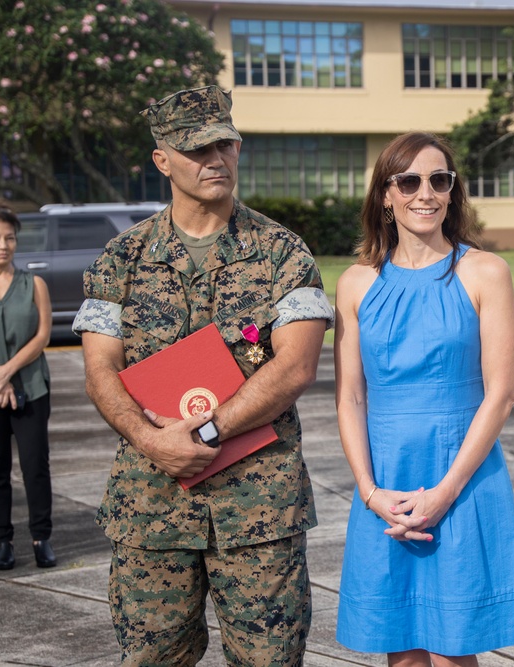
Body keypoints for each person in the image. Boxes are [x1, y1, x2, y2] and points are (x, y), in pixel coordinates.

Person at [72, 85, 333, 665]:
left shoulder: (282, 254)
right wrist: (150, 440)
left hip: (258, 509)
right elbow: (99, 370)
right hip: (152, 502)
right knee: (152, 659)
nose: (215, 159)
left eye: (226, 144)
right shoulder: (121, 259)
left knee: (269, 659)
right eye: (196, 149)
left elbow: (296, 366)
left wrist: (207, 433)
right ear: (162, 160)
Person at [334, 131, 514, 666]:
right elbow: (351, 398)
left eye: (438, 180)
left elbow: (500, 396)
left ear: (452, 192)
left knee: (453, 650)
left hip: (462, 477)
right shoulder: (355, 284)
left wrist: (445, 493)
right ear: (385, 194)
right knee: (400, 649)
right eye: (408, 181)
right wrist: (369, 490)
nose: (424, 193)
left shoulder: (485, 272)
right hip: (386, 480)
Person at [0, 206, 55, 571]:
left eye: (9, 238)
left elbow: (43, 335)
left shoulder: (33, 284)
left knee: (35, 466)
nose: (3, 245)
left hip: (31, 387)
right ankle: (2, 540)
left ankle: (41, 537)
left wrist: (5, 373)